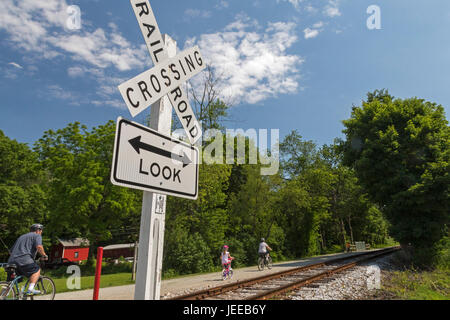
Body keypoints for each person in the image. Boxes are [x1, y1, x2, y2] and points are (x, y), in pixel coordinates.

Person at [7, 224, 48, 295]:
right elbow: (39, 247)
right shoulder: (37, 236)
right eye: (41, 230)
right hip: (25, 260)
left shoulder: (21, 237)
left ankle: (2, 295)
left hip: (11, 260)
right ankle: (30, 289)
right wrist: (44, 255)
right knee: (36, 270)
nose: (41, 232)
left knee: (9, 284)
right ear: (38, 230)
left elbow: (11, 251)